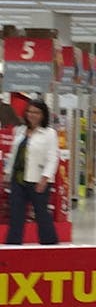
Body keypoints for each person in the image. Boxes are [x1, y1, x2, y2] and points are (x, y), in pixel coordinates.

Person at [5, 99, 60, 245]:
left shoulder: (49, 134)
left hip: (38, 180)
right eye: (30, 111)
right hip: (18, 179)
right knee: (16, 214)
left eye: (36, 112)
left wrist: (45, 178)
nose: (32, 115)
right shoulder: (20, 130)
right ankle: (13, 245)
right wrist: (6, 172)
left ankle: (49, 244)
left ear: (43, 115)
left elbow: (52, 158)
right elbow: (14, 153)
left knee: (41, 214)